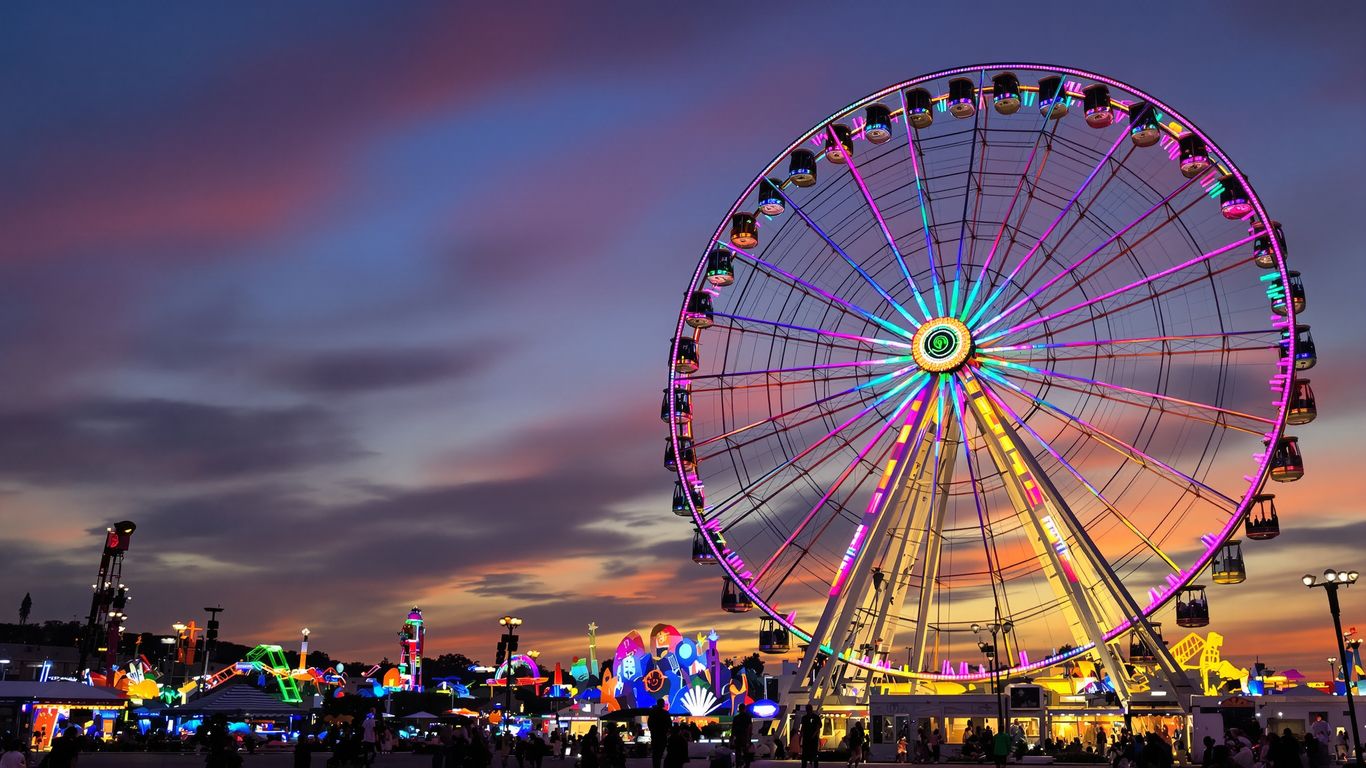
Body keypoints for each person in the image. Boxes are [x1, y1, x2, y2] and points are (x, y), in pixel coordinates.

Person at [649, 700, 673, 768]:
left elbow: (650, 723)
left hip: (655, 735)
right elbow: (669, 724)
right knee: (660, 752)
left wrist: (652, 731)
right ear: (663, 704)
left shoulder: (653, 713)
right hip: (662, 735)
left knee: (655, 754)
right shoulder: (665, 713)